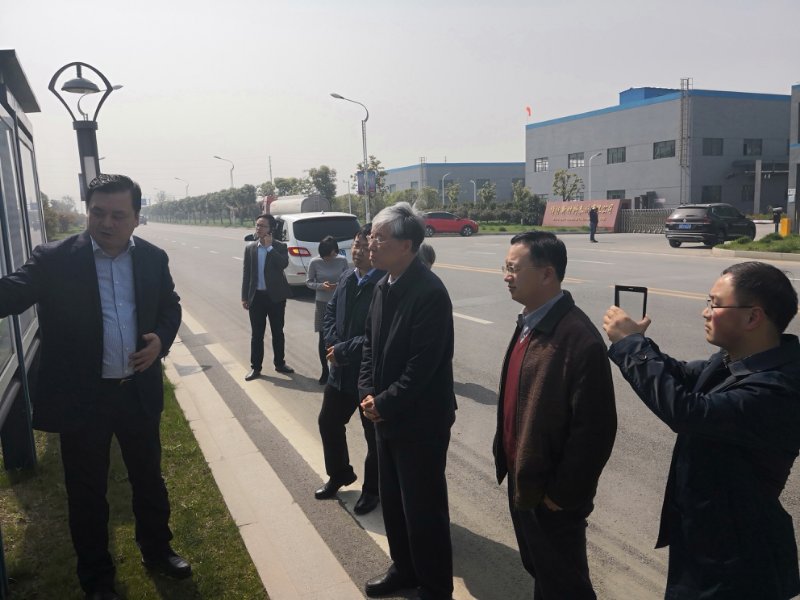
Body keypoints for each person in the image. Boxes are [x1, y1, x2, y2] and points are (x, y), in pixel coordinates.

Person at [0, 174, 188, 599]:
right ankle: (97, 578)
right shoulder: (56, 259)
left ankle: (158, 550)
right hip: (83, 399)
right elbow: (12, 293)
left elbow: (170, 305)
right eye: (97, 213)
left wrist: (161, 339)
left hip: (136, 391)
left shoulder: (152, 258)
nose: (106, 223)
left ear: (137, 217)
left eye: (118, 215)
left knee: (149, 478)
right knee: (87, 493)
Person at [603, 261, 800, 600]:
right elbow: (681, 375)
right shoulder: (737, 360)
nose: (705, 312)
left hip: (739, 564)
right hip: (709, 543)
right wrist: (639, 343)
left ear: (753, 317)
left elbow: (687, 412)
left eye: (715, 304)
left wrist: (632, 345)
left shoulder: (778, 387)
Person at [494, 231, 617, 599]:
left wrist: (563, 494)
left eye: (514, 268)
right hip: (526, 477)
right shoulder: (531, 321)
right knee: (542, 571)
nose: (506, 276)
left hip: (552, 494)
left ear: (547, 274)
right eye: (505, 268)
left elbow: (595, 431)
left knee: (565, 584)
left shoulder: (578, 339)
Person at [359, 203, 456, 600]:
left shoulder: (429, 293)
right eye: (371, 237)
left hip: (420, 422)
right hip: (385, 415)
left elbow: (422, 368)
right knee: (395, 503)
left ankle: (434, 587)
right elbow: (369, 346)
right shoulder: (383, 285)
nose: (370, 244)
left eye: (380, 238)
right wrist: (367, 393)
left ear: (407, 245)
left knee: (423, 509)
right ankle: (404, 569)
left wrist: (383, 403)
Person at [315, 224, 384, 515]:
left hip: (367, 376)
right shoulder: (346, 277)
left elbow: (377, 335)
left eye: (365, 246)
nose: (358, 251)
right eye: (356, 245)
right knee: (328, 422)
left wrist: (344, 350)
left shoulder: (383, 284)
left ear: (376, 249)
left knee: (374, 437)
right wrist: (332, 341)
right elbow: (330, 312)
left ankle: (373, 490)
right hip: (340, 373)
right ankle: (340, 473)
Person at [242, 213, 294, 380]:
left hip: (275, 298)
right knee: (257, 334)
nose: (258, 228)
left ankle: (280, 363)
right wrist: (245, 296)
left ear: (271, 229)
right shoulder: (250, 248)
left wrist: (270, 247)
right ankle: (255, 368)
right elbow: (247, 274)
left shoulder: (279, 246)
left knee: (277, 332)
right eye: (257, 225)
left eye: (263, 226)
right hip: (256, 297)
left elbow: (283, 264)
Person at [306, 235, 348, 384]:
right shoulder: (315, 262)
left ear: (335, 251)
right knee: (323, 337)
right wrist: (321, 286)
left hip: (339, 303)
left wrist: (339, 285)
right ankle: (325, 370)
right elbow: (309, 282)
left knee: (339, 336)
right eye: (324, 256)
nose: (327, 259)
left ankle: (338, 370)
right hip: (322, 303)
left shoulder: (342, 260)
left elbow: (347, 279)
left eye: (329, 255)